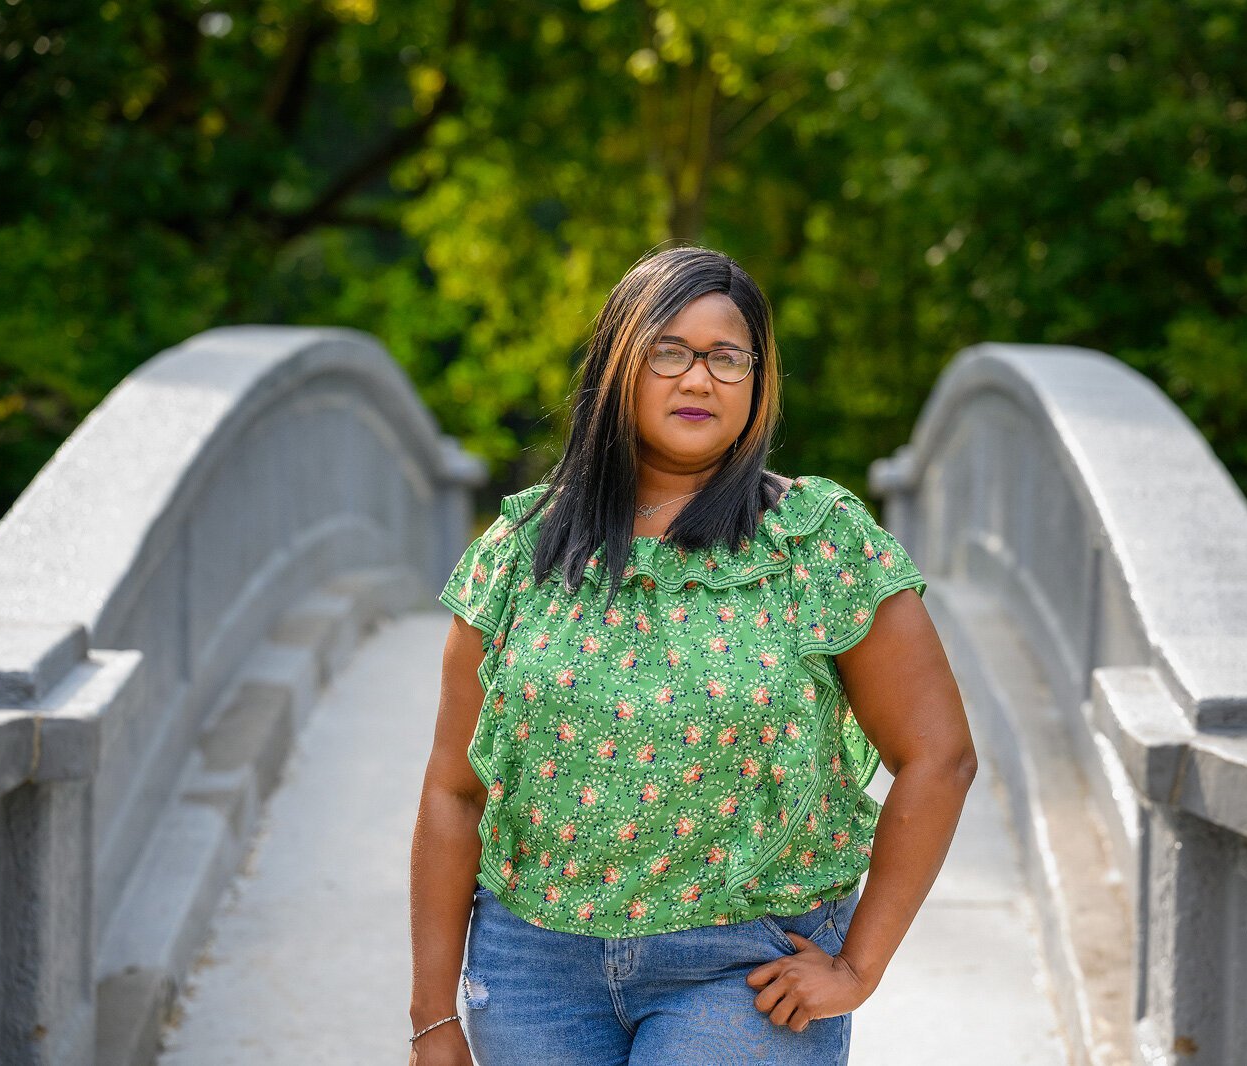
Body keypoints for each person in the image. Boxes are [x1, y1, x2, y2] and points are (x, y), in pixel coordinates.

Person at [408, 245, 977, 1066]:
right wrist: (433, 1018)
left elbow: (939, 756)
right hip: (532, 968)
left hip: (744, 970)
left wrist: (859, 965)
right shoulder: (519, 551)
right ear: (617, 368)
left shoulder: (818, 543)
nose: (699, 379)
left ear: (757, 378)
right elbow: (454, 792)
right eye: (668, 352)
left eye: (726, 357)